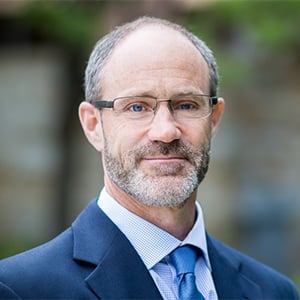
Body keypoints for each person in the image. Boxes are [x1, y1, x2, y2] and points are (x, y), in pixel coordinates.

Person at [0, 16, 298, 300]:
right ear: (93, 125)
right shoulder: (19, 289)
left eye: (186, 105)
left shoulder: (274, 292)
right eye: (137, 107)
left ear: (214, 119)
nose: (166, 131)